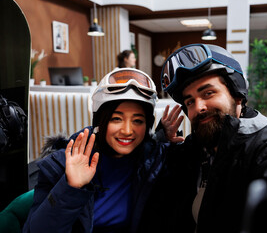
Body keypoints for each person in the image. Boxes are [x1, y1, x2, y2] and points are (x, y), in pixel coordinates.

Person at [143, 43, 267, 233]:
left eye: (208, 93)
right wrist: (160, 140)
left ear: (237, 94)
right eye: (190, 101)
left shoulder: (266, 147)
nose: (199, 107)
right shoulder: (200, 144)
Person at [23, 68, 181, 233]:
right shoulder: (62, 165)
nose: (128, 130)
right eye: (116, 119)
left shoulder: (151, 162)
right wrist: (71, 186)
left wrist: (162, 138)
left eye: (138, 121)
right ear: (100, 122)